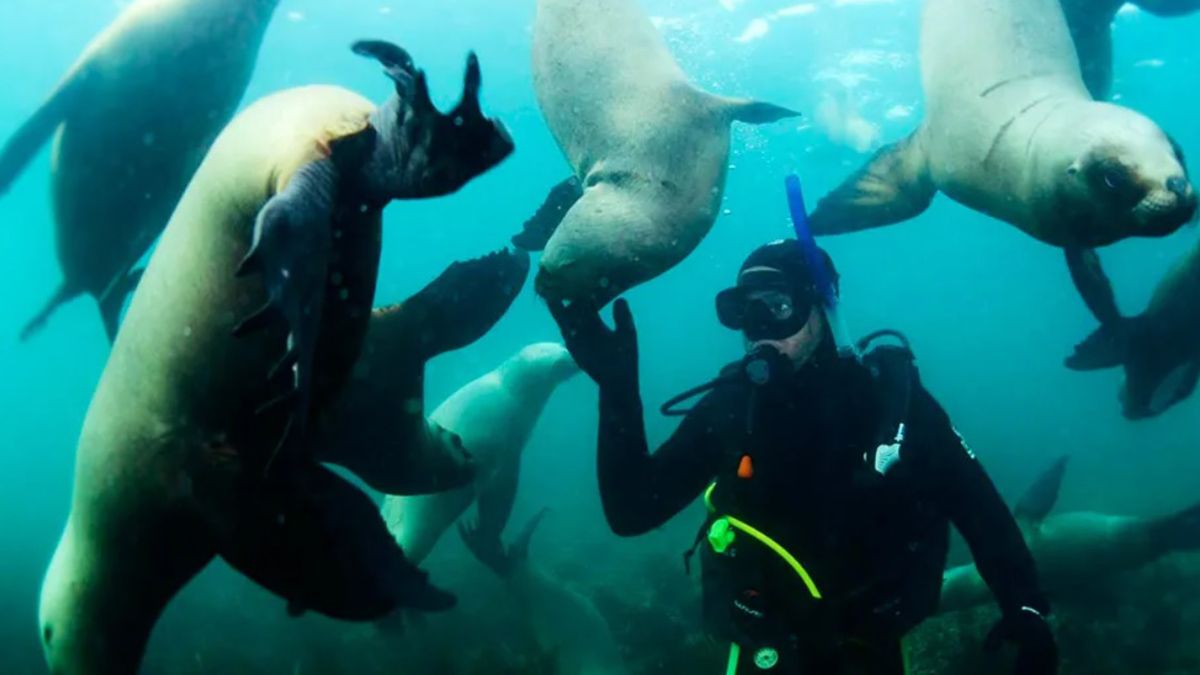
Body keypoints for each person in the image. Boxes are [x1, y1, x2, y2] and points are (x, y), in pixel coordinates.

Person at [549, 239, 1059, 674]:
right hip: (766, 651)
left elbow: (980, 510)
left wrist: (1026, 606)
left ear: (822, 307)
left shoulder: (889, 402)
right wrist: (617, 388)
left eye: (777, 305)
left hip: (868, 648)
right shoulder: (733, 409)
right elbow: (632, 511)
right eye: (744, 311)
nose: (760, 327)